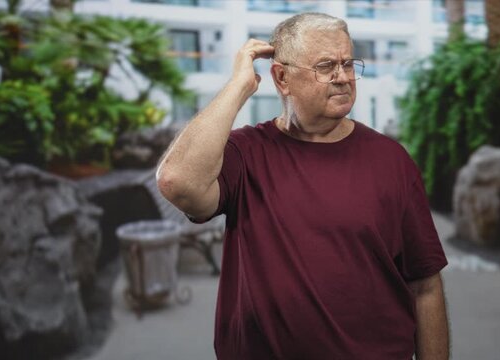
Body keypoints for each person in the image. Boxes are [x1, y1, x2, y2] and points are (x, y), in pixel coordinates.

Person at [157, 12, 449, 360]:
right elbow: (178, 182)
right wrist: (239, 86)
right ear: (281, 78)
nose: (343, 77)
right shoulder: (245, 153)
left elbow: (426, 286)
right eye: (325, 66)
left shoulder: (392, 160)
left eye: (348, 63)